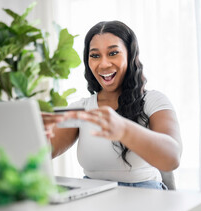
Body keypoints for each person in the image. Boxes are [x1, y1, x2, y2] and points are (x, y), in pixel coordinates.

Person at [42, 20, 182, 190]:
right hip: (94, 200)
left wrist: (123, 129)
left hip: (145, 199)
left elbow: (172, 158)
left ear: (130, 55)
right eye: (95, 55)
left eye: (113, 53)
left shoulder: (153, 101)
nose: (104, 64)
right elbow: (40, 152)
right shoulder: (81, 109)